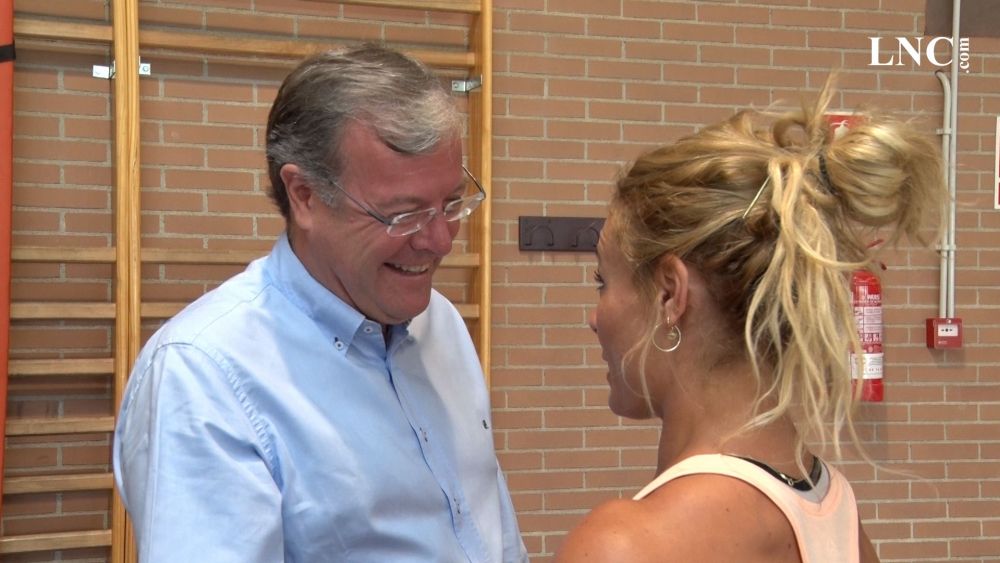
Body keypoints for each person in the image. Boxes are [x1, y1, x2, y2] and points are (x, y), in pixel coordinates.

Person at [113, 44, 528, 563]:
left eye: (450, 204)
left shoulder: (440, 323)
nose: (441, 241)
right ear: (305, 195)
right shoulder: (204, 375)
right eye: (404, 214)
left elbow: (491, 530)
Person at [556, 80, 946, 563]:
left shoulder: (626, 545)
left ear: (670, 294)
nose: (594, 318)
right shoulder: (837, 509)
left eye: (603, 281)